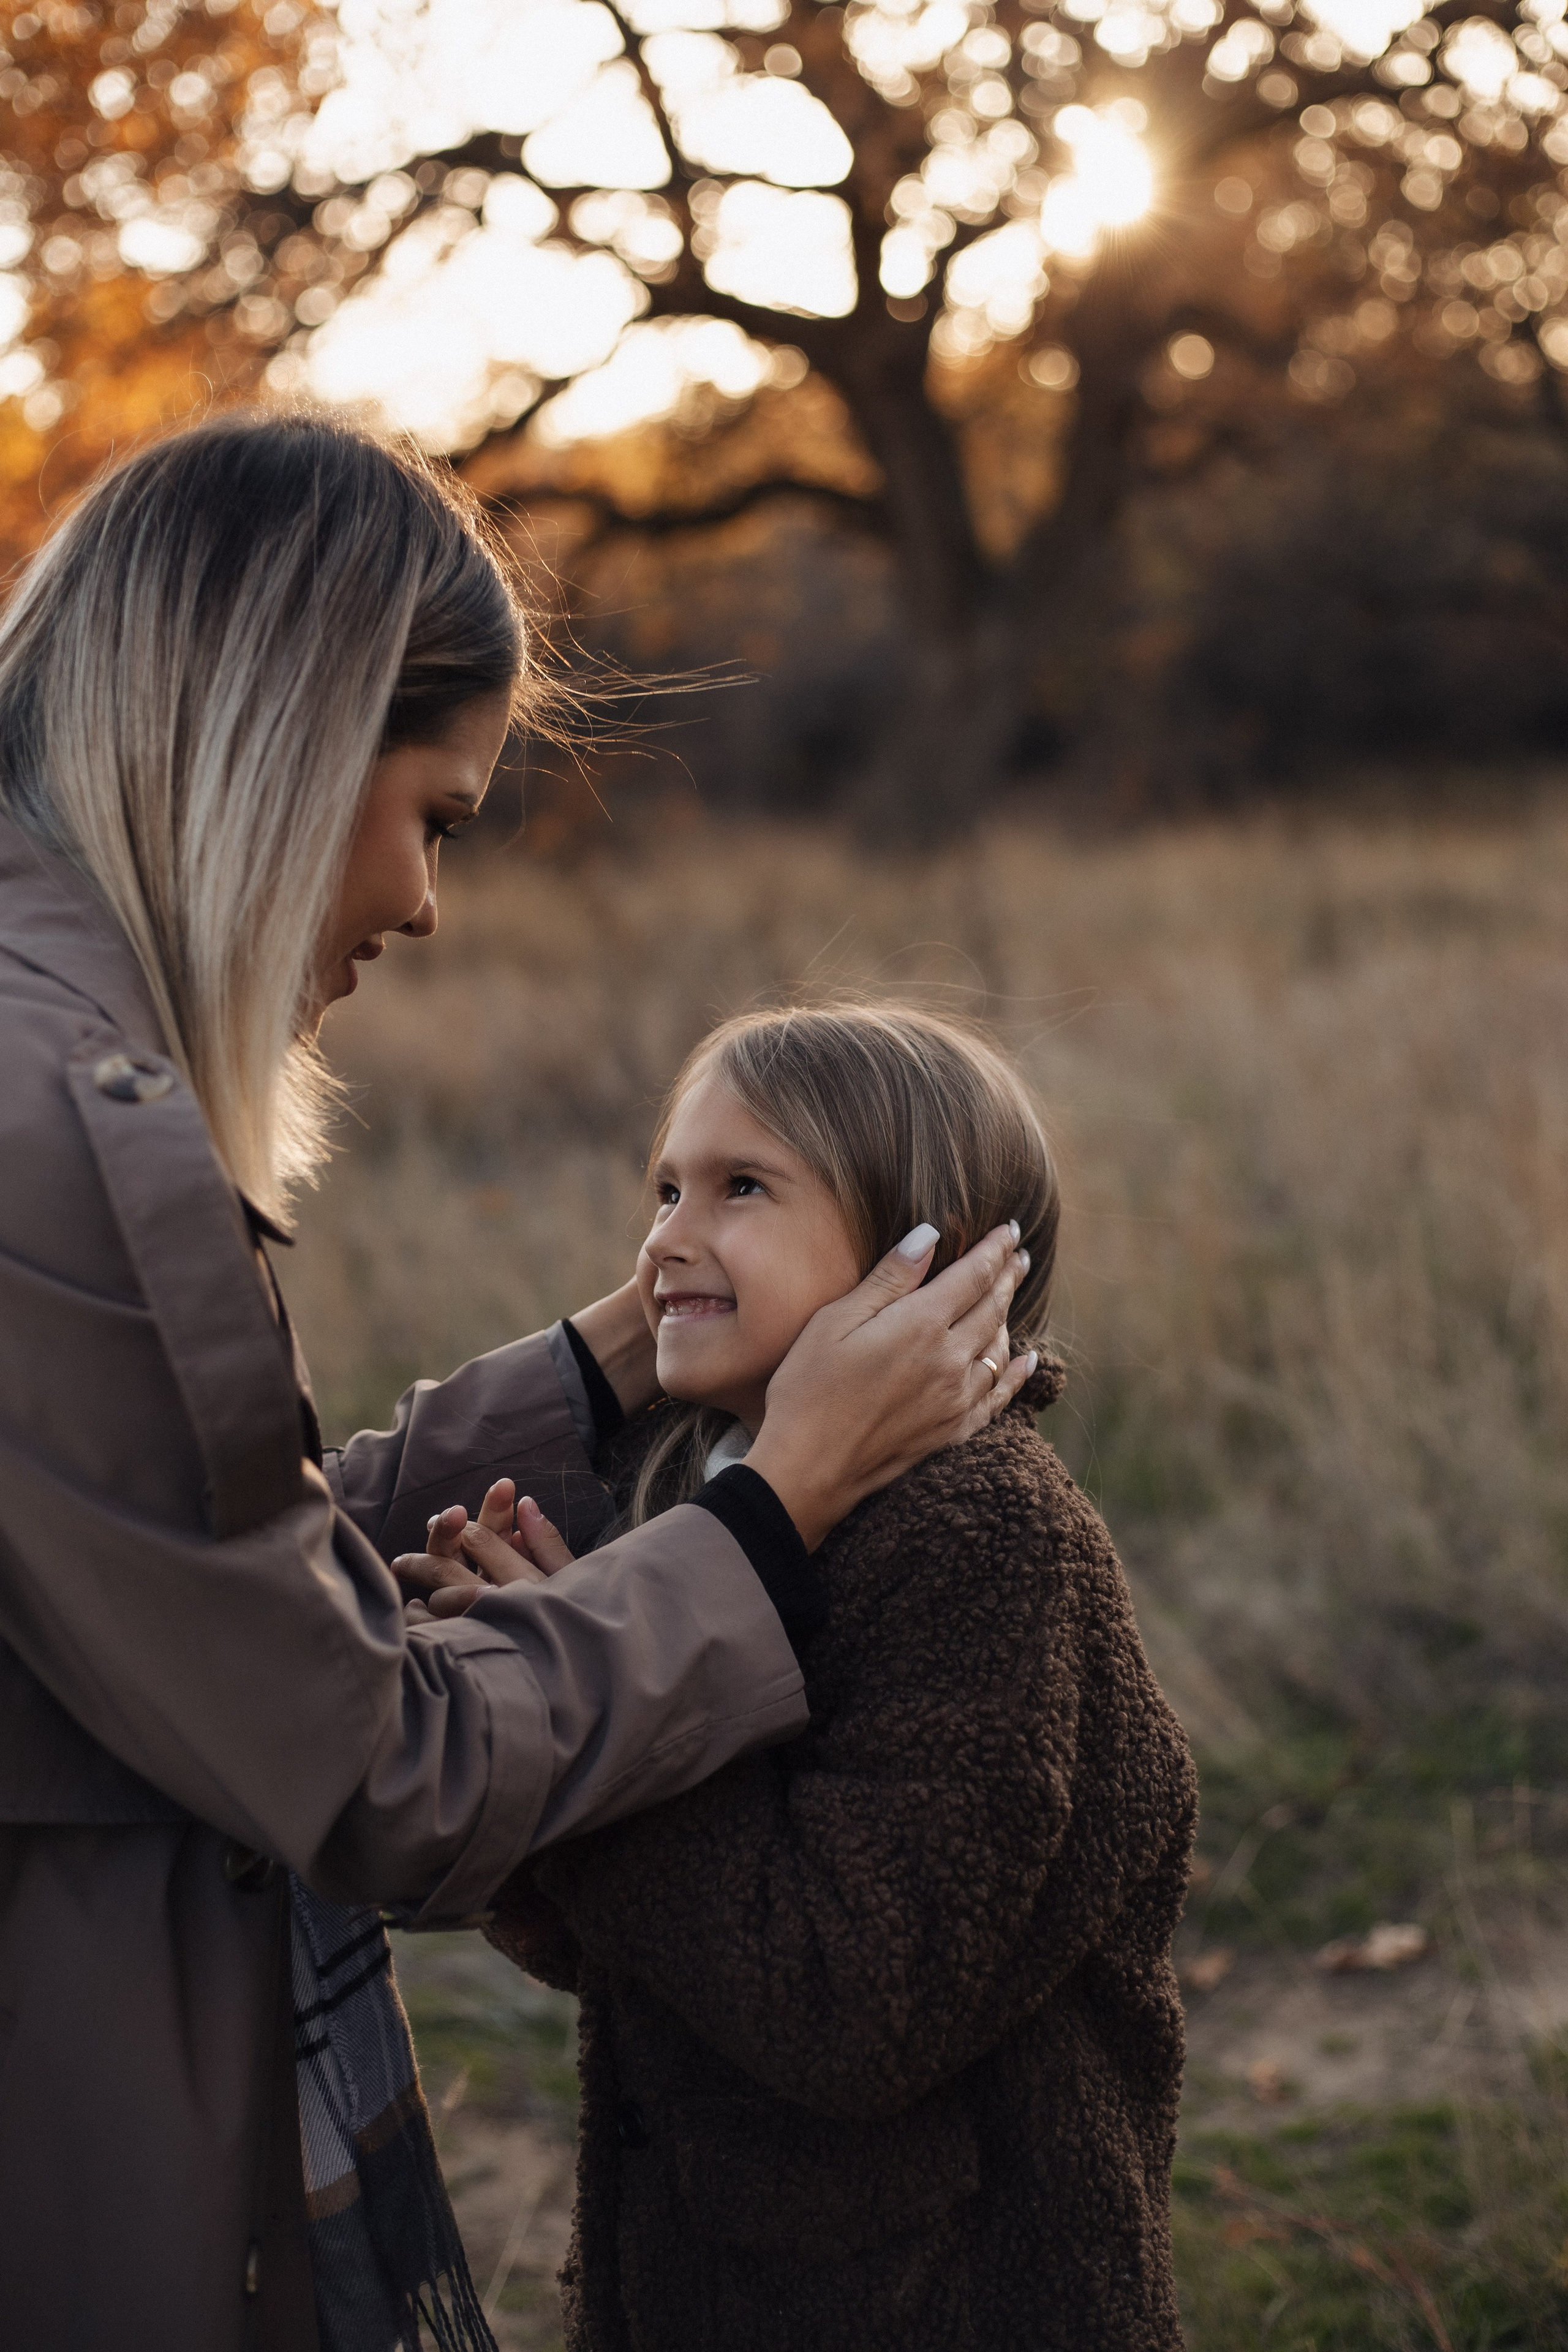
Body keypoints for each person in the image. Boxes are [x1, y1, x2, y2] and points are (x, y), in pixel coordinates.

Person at [0, 416, 1033, 2352]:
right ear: (285, 751)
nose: (424, 904)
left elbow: (190, 1588)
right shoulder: (67, 1132)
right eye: (440, 816)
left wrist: (626, 1348)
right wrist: (766, 1509)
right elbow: (371, 1760)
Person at [446, 1005, 1198, 2352]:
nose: (668, 1236)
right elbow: (659, 1951)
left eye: (742, 1189)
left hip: (945, 2299)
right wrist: (543, 1705)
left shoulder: (981, 1543)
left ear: (917, 1259)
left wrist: (595, 1743)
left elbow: (852, 2002)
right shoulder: (706, 1495)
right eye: (666, 1186)